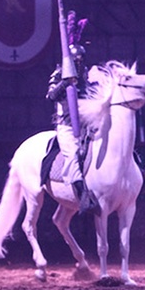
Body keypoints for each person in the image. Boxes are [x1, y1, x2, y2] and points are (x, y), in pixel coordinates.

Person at [46, 11, 98, 214]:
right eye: (75, 61)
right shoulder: (59, 73)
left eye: (81, 61)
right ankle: (83, 197)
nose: (78, 64)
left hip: (87, 122)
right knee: (73, 155)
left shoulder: (86, 74)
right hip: (67, 125)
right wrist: (65, 83)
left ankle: (141, 172)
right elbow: (51, 95)